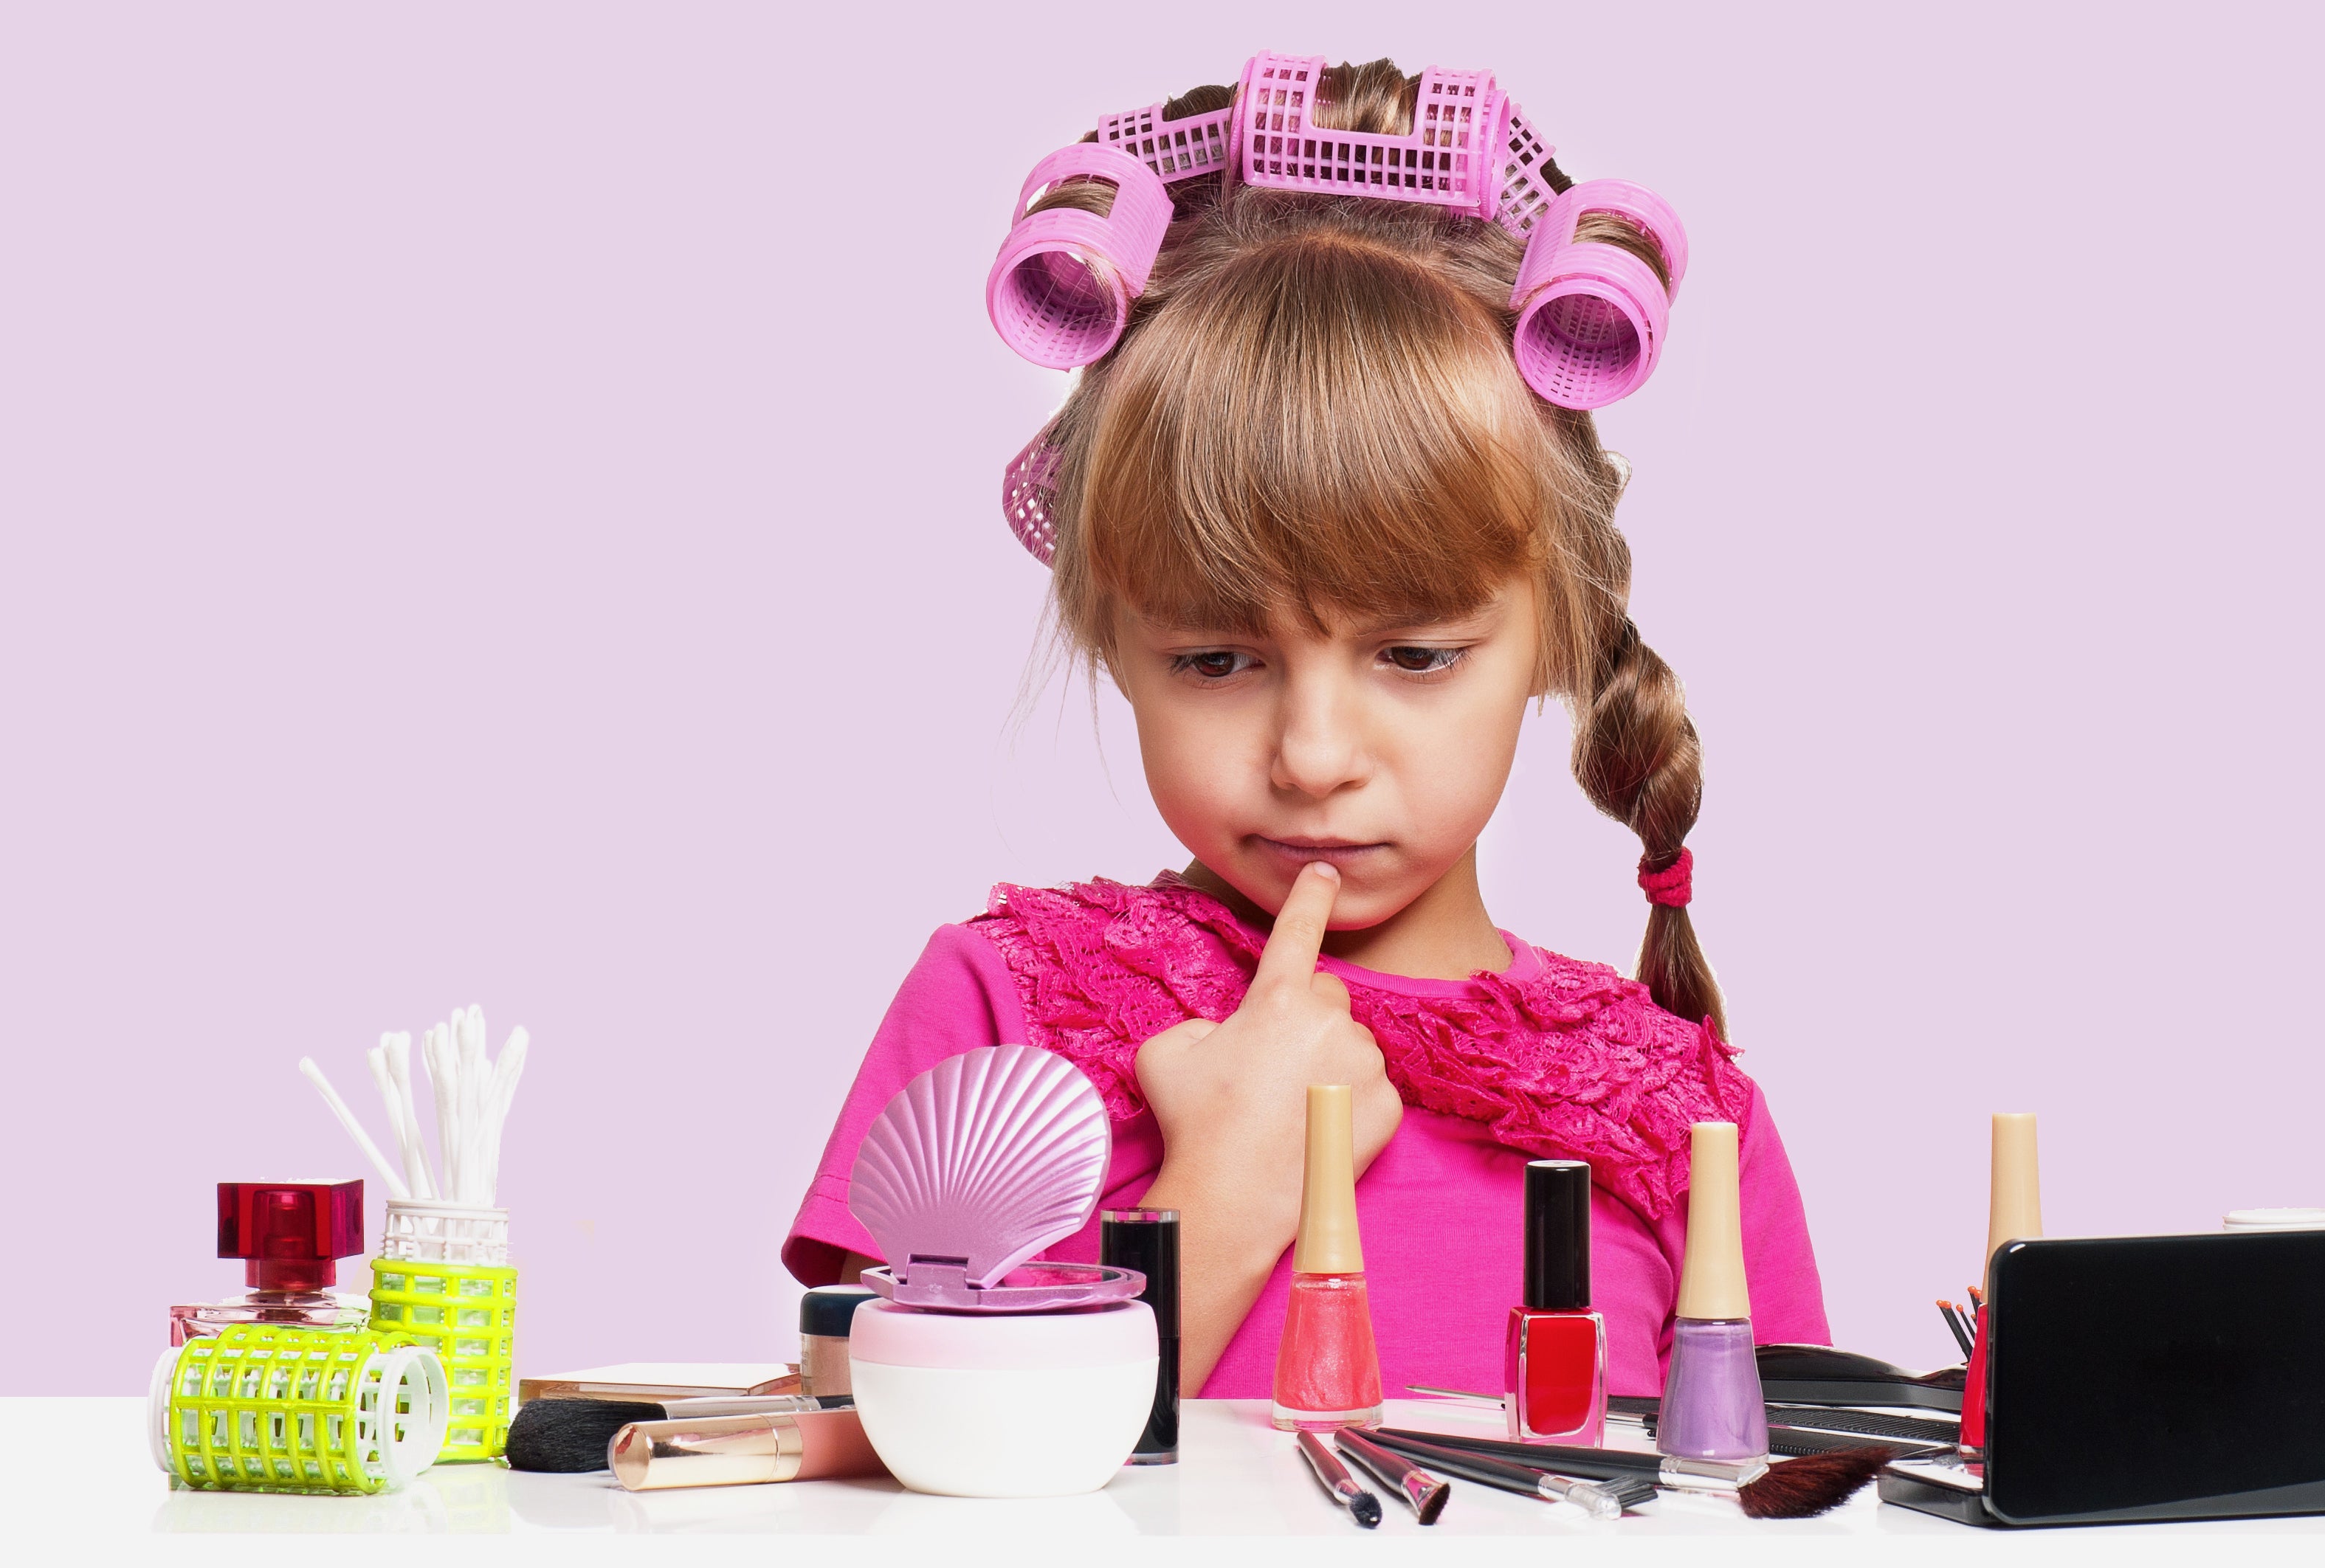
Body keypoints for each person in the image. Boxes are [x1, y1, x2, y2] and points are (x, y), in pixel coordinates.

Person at [782, 56, 1830, 1400]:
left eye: (1413, 654)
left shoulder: (1678, 1106)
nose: (1314, 753)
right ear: (1114, 635)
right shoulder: (1005, 1013)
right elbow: (847, 1466)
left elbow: (1785, 1507)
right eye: (1216, 657)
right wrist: (1220, 1195)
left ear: (1555, 635)